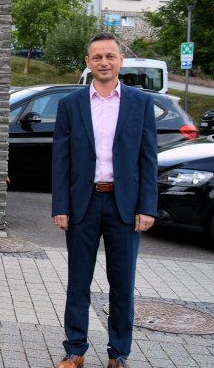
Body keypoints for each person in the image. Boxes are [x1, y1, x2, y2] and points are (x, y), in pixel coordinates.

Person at [51, 33, 157, 368]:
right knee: (78, 280)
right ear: (88, 63)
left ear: (121, 60)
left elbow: (148, 158)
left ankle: (119, 354)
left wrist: (147, 207)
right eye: (97, 57)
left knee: (122, 283)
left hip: (124, 207)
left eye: (110, 56)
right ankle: (75, 349)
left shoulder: (140, 104)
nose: (104, 62)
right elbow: (61, 160)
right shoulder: (71, 105)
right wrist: (61, 206)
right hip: (83, 204)